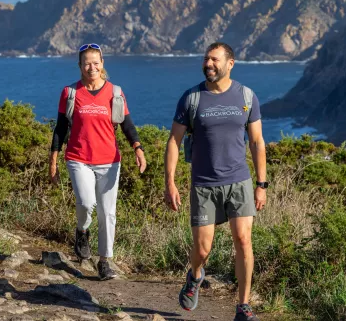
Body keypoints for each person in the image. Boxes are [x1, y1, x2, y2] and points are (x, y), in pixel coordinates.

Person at [164, 42, 267, 321]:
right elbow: (174, 141)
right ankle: (195, 275)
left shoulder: (246, 96)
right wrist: (170, 183)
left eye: (214, 60)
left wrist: (261, 183)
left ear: (230, 64)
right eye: (206, 59)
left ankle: (243, 307)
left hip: (239, 181)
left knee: (244, 240)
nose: (208, 64)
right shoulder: (191, 98)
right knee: (202, 249)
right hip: (204, 184)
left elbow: (257, 142)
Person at [49, 43, 146, 280]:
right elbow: (60, 129)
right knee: (85, 203)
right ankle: (82, 231)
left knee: (108, 212)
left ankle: (104, 262)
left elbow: (127, 124)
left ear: (102, 64)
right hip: (78, 158)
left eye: (96, 62)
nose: (91, 67)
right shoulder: (70, 92)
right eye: (86, 63)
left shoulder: (115, 92)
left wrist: (138, 148)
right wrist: (53, 161)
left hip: (109, 161)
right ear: (80, 66)